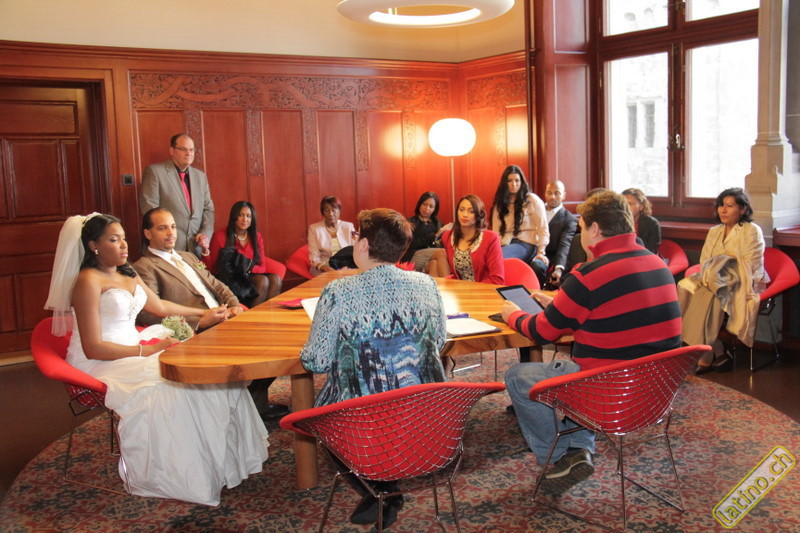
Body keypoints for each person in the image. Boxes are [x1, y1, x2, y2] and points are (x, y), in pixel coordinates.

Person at [44, 213, 268, 506]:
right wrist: (147, 351)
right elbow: (93, 347)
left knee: (205, 374)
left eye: (124, 238)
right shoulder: (88, 281)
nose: (124, 245)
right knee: (172, 388)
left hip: (133, 349)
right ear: (93, 246)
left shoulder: (126, 272)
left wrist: (204, 314)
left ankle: (224, 463)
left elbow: (159, 305)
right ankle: (183, 476)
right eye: (114, 240)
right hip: (104, 360)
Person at [501, 190, 681, 493]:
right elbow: (617, 310)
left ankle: (558, 457)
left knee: (519, 376)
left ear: (595, 229)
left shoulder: (589, 275)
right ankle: (578, 450)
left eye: (582, 227)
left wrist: (513, 314)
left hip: (608, 394)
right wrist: (560, 303)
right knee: (582, 367)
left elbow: (542, 332)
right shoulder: (658, 265)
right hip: (655, 394)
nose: (581, 233)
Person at [300, 208, 447, 530]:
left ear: (364, 245)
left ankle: (381, 490)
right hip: (426, 416)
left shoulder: (339, 292)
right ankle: (386, 489)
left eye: (356, 237)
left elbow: (316, 361)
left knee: (322, 414)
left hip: (363, 421)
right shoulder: (427, 284)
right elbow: (438, 342)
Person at [133, 207, 288, 422]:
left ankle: (251, 405)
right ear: (148, 233)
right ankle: (246, 408)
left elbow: (218, 284)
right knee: (263, 345)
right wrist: (199, 321)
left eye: (173, 227)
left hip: (226, 317)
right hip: (198, 331)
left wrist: (234, 305)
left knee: (279, 341)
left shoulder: (187, 256)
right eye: (162, 228)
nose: (170, 233)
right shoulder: (144, 267)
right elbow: (148, 313)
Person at [678, 187, 768, 374]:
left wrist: (723, 264)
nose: (723, 210)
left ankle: (702, 353)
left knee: (712, 292)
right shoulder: (714, 231)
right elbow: (705, 260)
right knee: (684, 286)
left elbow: (751, 263)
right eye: (721, 205)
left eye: (729, 206)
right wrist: (716, 269)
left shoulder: (752, 230)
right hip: (714, 276)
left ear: (742, 209)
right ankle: (715, 349)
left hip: (742, 278)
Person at [139, 133, 215, 257]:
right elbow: (150, 210)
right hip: (165, 248)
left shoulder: (200, 176)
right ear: (172, 151)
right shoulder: (155, 172)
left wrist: (205, 234)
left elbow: (208, 209)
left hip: (194, 248)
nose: (188, 153)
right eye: (183, 149)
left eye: (191, 150)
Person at [203, 201, 285, 306]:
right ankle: (251, 314)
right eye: (241, 215)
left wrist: (247, 268)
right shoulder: (220, 236)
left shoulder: (256, 236)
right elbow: (213, 268)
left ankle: (268, 314)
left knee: (276, 279)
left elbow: (262, 266)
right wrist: (205, 251)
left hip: (249, 275)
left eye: (248, 216)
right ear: (234, 217)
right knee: (263, 281)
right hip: (231, 279)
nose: (245, 219)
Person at [426, 194, 505, 285]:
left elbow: (497, 279)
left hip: (483, 290)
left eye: (471, 211)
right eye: (461, 209)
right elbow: (451, 272)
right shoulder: (448, 236)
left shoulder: (491, 238)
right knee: (434, 263)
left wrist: (470, 290)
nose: (465, 215)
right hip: (458, 289)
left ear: (479, 214)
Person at [490, 165, 549, 265]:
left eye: (517, 180)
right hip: (505, 243)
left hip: (526, 244)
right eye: (510, 181)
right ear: (505, 183)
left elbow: (542, 228)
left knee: (499, 257)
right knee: (488, 257)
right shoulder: (500, 204)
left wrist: (541, 252)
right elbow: (496, 233)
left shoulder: (532, 200)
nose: (514, 184)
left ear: (521, 182)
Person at [531, 179, 578, 288]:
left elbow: (564, 245)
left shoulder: (569, 219)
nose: (552, 197)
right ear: (545, 193)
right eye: (549, 193)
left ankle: (539, 292)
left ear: (564, 195)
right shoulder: (533, 211)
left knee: (537, 265)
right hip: (529, 251)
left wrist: (559, 268)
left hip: (548, 258)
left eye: (557, 193)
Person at [401, 191, 450, 271]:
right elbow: (412, 244)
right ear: (419, 204)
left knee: (434, 264)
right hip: (413, 255)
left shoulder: (436, 222)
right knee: (441, 252)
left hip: (431, 256)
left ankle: (439, 280)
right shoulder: (410, 222)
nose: (427, 209)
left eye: (431, 206)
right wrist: (436, 235)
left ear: (435, 209)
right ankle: (451, 279)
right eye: (424, 204)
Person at [307, 195, 356, 276]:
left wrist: (348, 267)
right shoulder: (314, 229)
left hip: (347, 265)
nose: (331, 214)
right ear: (322, 212)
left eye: (333, 210)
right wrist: (326, 268)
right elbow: (314, 256)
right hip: (324, 267)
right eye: (327, 210)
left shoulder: (349, 227)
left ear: (339, 211)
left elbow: (357, 248)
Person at [622, 187, 661, 255]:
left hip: (645, 257)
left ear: (641, 206)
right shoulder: (617, 222)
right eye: (623, 204)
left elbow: (652, 250)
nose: (626, 207)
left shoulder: (652, 223)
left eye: (630, 204)